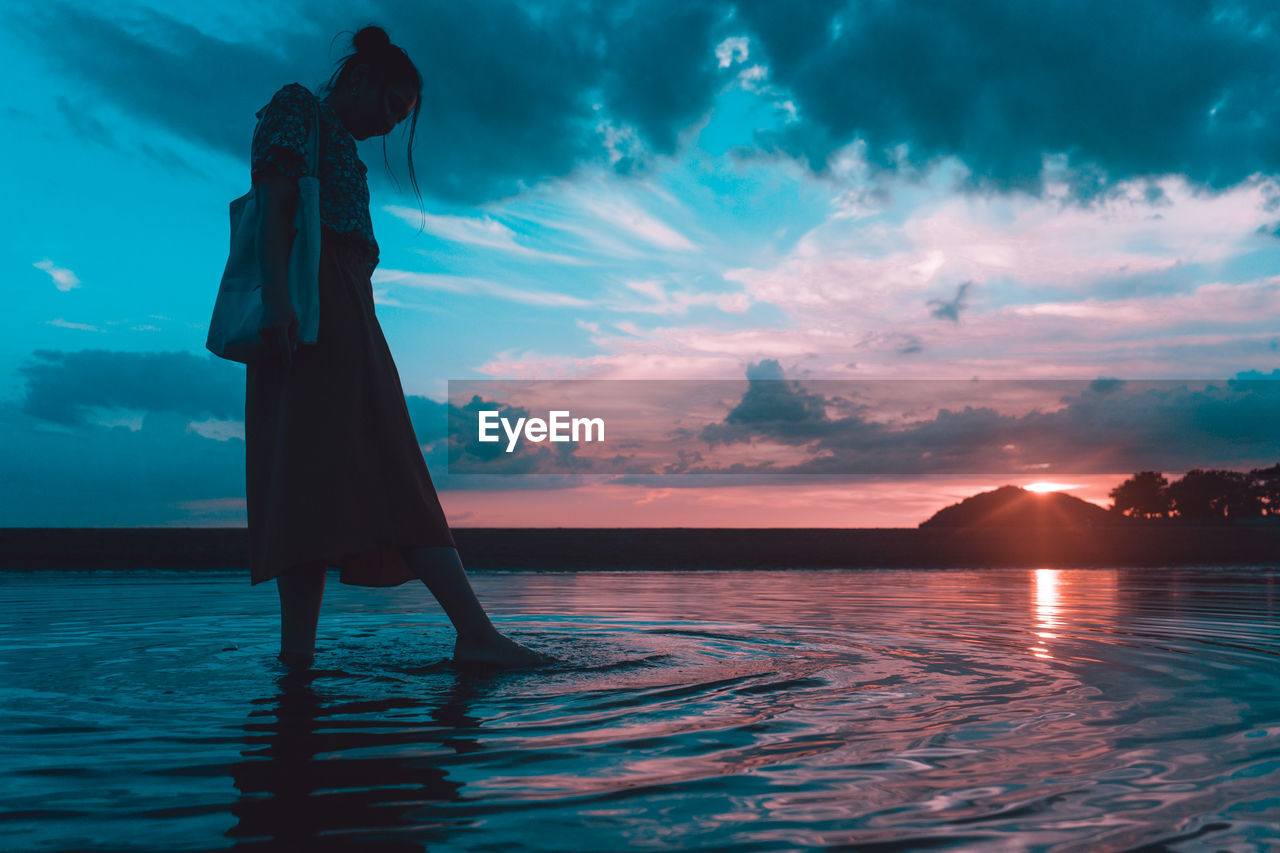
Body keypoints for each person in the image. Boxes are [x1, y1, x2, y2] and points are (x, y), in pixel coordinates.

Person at [245, 25, 549, 670]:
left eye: (399, 118)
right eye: (387, 108)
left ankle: (297, 659)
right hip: (315, 302)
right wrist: (278, 299)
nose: (388, 127)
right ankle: (474, 634)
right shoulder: (298, 105)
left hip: (337, 302)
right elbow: (274, 203)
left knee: (309, 473)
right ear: (357, 79)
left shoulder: (340, 145)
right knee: (387, 461)